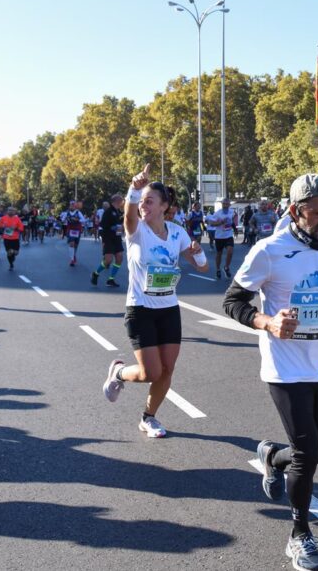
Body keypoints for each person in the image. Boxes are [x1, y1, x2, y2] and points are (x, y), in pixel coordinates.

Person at [222, 174, 318, 571]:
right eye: (317, 213)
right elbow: (233, 301)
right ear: (294, 212)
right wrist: (267, 322)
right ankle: (299, 534)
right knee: (306, 453)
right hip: (285, 367)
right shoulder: (269, 251)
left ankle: (271, 456)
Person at [102, 165, 208, 437]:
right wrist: (135, 189)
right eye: (141, 201)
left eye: (150, 201)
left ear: (164, 206)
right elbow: (128, 213)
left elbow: (202, 268)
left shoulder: (176, 232)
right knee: (151, 372)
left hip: (169, 309)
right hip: (140, 309)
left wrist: (198, 253)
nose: (143, 205)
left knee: (167, 370)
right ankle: (119, 373)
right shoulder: (136, 231)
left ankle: (149, 417)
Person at [92, 194, 126, 287]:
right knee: (108, 260)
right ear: (117, 201)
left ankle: (111, 279)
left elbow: (120, 222)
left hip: (117, 238)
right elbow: (103, 224)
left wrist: (121, 227)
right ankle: (96, 273)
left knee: (119, 258)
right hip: (109, 238)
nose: (122, 202)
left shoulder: (118, 211)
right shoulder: (108, 211)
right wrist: (112, 228)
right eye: (121, 201)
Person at [209, 198, 238, 279]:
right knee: (219, 254)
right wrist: (220, 222)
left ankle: (226, 267)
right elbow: (211, 223)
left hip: (228, 236)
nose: (225, 205)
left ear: (229, 205)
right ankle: (218, 269)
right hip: (219, 237)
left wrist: (235, 229)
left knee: (230, 251)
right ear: (222, 204)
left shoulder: (232, 212)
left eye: (227, 204)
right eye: (224, 204)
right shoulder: (218, 213)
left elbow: (231, 222)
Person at [0, 206, 24, 271]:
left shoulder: (17, 219)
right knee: (9, 252)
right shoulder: (3, 218)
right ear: (7, 211)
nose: (10, 211)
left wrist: (15, 228)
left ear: (14, 212)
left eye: (12, 210)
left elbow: (21, 228)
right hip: (6, 238)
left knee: (16, 253)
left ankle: (13, 256)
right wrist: (2, 227)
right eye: (9, 210)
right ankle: (11, 264)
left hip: (15, 238)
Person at [63, 201, 86, 266]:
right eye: (71, 205)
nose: (72, 206)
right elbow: (62, 219)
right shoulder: (67, 213)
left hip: (77, 230)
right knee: (71, 244)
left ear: (75, 206)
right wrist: (64, 220)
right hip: (70, 230)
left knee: (75, 245)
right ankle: (72, 259)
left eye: (73, 205)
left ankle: (74, 255)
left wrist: (77, 220)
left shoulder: (78, 212)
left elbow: (83, 220)